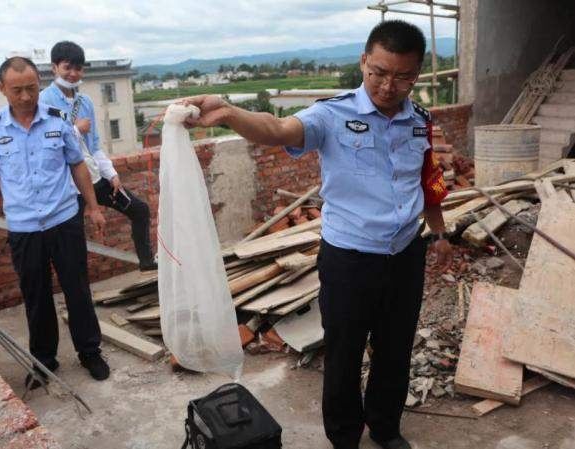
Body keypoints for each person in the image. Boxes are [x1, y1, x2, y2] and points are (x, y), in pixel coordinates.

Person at [184, 20, 453, 449]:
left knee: (395, 351)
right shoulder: (332, 115)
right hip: (350, 259)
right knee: (344, 354)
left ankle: (385, 429)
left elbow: (427, 179)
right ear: (364, 61)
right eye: (378, 72)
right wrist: (230, 114)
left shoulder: (419, 121)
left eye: (402, 76)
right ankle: (345, 437)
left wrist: (438, 234)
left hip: (405, 254)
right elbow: (277, 130)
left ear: (416, 74)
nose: (388, 85)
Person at [0, 56, 111, 388]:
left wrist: (92, 208)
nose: (25, 96)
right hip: (23, 228)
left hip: (64, 220)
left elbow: (78, 165)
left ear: (39, 85)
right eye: (17, 90)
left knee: (78, 289)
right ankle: (44, 362)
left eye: (31, 88)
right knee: (36, 297)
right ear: (2, 89)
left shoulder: (57, 121)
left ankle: (90, 352)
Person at [39, 41, 157, 271]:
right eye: (67, 67)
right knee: (73, 238)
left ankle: (146, 262)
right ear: (54, 68)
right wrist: (75, 130)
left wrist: (111, 174)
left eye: (78, 68)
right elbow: (45, 146)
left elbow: (94, 145)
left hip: (93, 177)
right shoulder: (43, 101)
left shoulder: (85, 102)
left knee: (139, 209)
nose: (73, 74)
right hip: (67, 184)